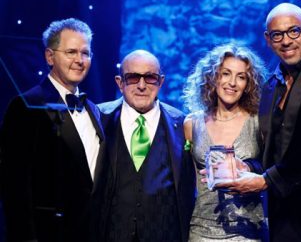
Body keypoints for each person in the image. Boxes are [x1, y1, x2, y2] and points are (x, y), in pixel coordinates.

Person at [220, 3, 301, 241]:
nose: (286, 41)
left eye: (294, 31)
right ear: (268, 40)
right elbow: (275, 149)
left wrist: (266, 180)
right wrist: (249, 168)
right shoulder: (271, 85)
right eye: (277, 35)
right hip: (283, 217)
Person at [0, 18, 104, 242]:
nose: (79, 60)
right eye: (71, 52)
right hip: (49, 235)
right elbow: (15, 185)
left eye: (85, 53)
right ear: (50, 56)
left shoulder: (94, 110)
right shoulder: (27, 106)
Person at [95, 49, 196, 242]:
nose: (142, 85)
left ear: (161, 81)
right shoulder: (99, 118)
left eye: (150, 77)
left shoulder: (182, 124)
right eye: (133, 77)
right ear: (120, 82)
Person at [182, 42, 268, 241]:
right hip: (201, 229)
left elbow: (272, 169)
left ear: (248, 85)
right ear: (213, 77)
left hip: (248, 230)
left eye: (241, 77)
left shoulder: (259, 122)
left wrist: (248, 167)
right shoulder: (192, 124)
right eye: (226, 73)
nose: (232, 83)